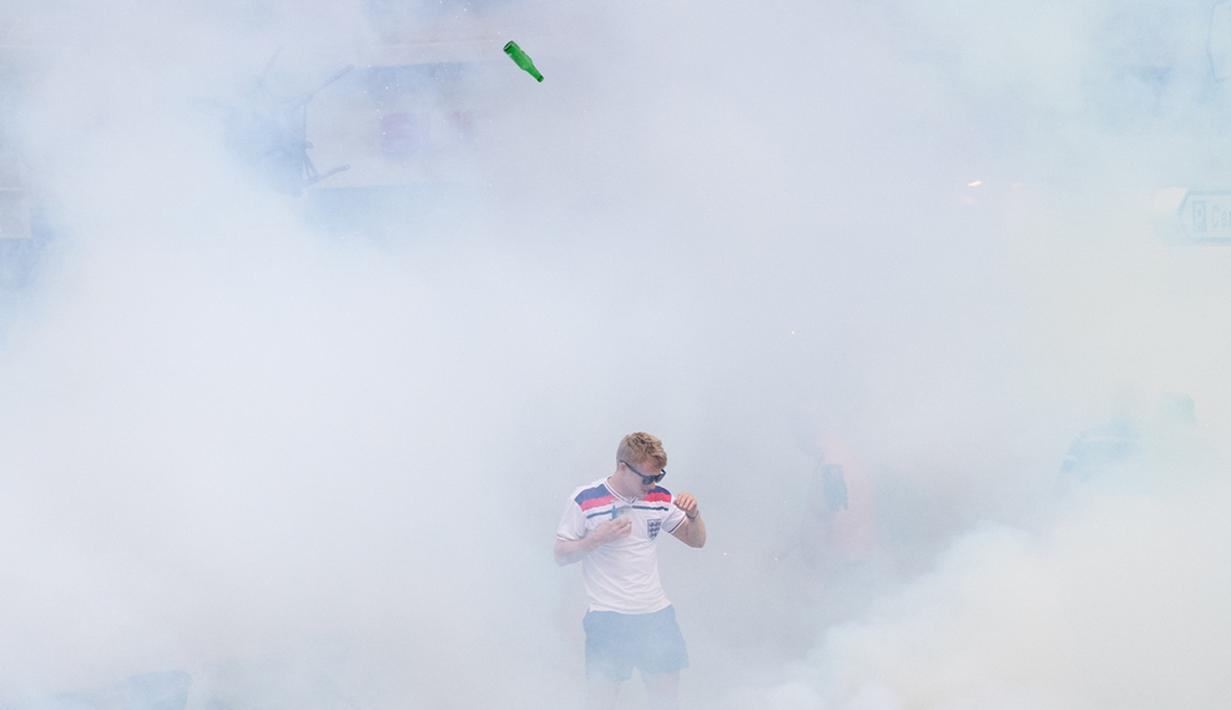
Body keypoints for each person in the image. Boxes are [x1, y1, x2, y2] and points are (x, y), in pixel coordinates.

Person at [554, 432, 706, 710]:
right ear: (623, 467)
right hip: (608, 615)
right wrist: (596, 539)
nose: (653, 484)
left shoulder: (660, 498)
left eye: (659, 476)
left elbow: (696, 541)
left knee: (666, 700)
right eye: (647, 478)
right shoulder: (586, 499)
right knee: (602, 701)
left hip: (655, 613)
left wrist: (694, 515)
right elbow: (561, 554)